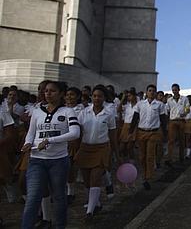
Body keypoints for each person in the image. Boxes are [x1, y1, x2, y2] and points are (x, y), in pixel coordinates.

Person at [20, 81, 80, 229]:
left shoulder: (68, 111)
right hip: (36, 160)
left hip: (59, 161)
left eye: (52, 91)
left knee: (59, 197)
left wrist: (50, 140)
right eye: (46, 91)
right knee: (33, 198)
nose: (48, 93)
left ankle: (59, 226)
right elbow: (31, 133)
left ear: (61, 94)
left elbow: (75, 133)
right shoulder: (37, 111)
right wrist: (27, 143)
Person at [75, 85, 118, 219]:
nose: (96, 98)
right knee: (87, 180)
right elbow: (78, 133)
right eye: (94, 96)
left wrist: (116, 153)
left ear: (104, 98)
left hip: (101, 149)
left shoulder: (109, 115)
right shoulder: (83, 113)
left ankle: (90, 212)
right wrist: (76, 150)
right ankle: (96, 204)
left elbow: (112, 135)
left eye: (99, 96)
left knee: (95, 177)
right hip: (85, 148)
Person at [130, 84, 166, 190]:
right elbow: (135, 117)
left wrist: (164, 132)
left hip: (153, 133)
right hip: (141, 132)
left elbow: (163, 119)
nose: (152, 92)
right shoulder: (140, 104)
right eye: (150, 90)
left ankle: (148, 177)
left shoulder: (160, 105)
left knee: (150, 155)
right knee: (142, 156)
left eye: (154, 91)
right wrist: (131, 130)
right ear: (146, 92)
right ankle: (144, 172)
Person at [64, 86, 83, 203]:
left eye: (72, 94)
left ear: (78, 97)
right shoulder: (61, 109)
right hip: (60, 142)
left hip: (73, 142)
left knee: (70, 168)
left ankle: (70, 192)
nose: (69, 97)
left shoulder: (81, 111)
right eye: (67, 95)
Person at [166, 83, 189, 165]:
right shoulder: (169, 100)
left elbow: (187, 108)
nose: (174, 91)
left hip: (181, 120)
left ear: (179, 90)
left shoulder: (184, 99)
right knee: (171, 140)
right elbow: (167, 110)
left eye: (175, 90)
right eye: (173, 90)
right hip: (172, 121)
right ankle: (169, 158)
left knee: (181, 140)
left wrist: (185, 113)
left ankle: (181, 157)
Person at [118, 90, 138, 162]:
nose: (128, 97)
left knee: (130, 146)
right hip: (125, 125)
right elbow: (119, 109)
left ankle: (131, 160)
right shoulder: (127, 105)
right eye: (128, 96)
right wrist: (122, 99)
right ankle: (123, 160)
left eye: (130, 95)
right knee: (121, 147)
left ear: (134, 96)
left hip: (133, 126)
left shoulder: (138, 105)